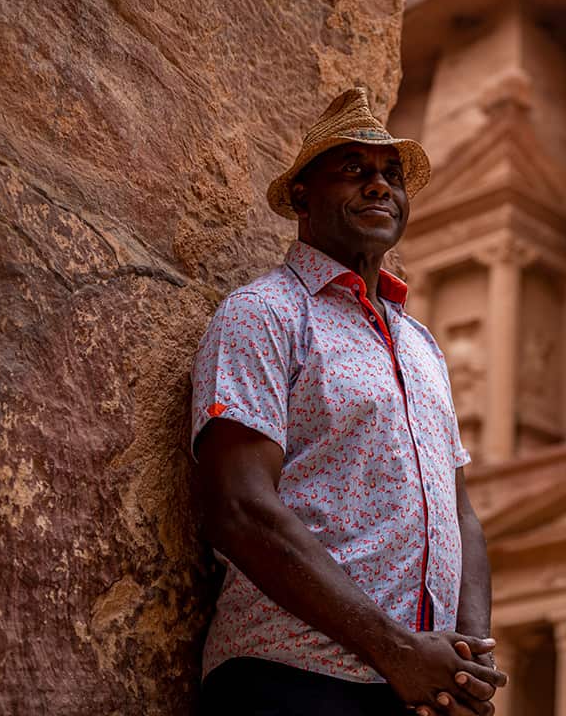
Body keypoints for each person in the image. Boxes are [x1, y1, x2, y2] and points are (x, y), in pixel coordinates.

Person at [190, 88, 507, 715]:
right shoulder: (264, 314)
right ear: (303, 196)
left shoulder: (420, 345)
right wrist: (397, 650)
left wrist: (467, 659)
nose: (378, 187)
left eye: (391, 175)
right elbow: (238, 507)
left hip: (416, 688)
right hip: (294, 675)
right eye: (353, 170)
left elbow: (460, 514)